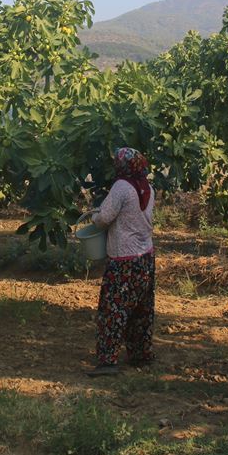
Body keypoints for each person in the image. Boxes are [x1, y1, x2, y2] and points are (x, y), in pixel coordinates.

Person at [87, 147, 157, 377]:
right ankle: (140, 354)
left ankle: (108, 360)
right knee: (141, 309)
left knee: (113, 310)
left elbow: (104, 218)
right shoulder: (148, 187)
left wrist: (94, 215)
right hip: (145, 257)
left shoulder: (121, 187)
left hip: (123, 259)